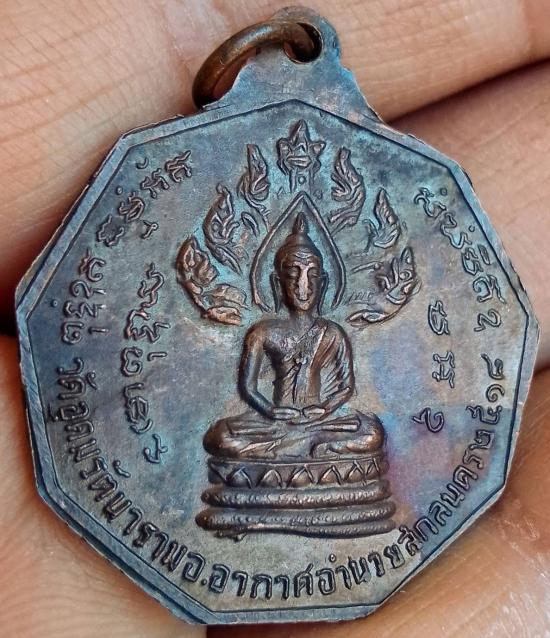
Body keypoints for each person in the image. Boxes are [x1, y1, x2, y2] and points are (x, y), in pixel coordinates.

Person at [1, 1, 550, 636]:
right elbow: (251, 389)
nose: (301, 284)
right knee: (231, 437)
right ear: (276, 279)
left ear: (324, 279)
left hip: (324, 430)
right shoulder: (263, 331)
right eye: (292, 275)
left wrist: (314, 415)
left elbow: (342, 390)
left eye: (310, 275)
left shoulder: (332, 332)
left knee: (363, 434)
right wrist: (279, 415)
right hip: (268, 433)